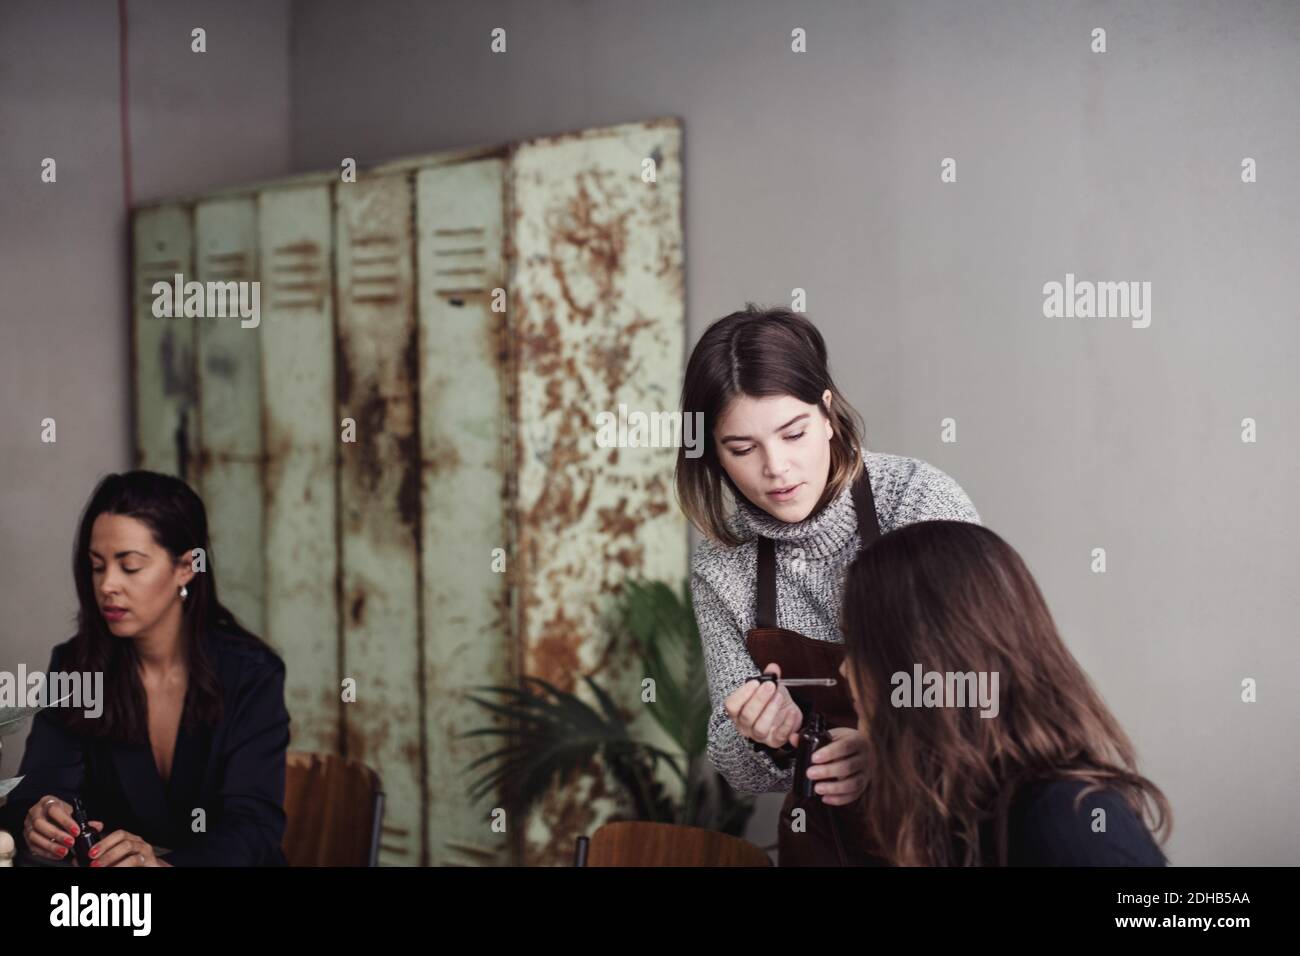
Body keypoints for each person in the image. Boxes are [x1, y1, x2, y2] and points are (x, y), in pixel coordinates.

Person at [677, 303, 981, 864]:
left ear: (827, 411)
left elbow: (985, 692)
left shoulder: (917, 502)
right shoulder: (722, 567)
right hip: (825, 845)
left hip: (947, 832)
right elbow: (731, 758)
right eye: (741, 449)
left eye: (792, 434)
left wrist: (887, 748)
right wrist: (756, 733)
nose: (776, 468)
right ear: (713, 454)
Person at [837, 519, 1172, 865]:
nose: (844, 669)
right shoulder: (962, 810)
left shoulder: (1063, 819)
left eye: (856, 645)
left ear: (919, 660)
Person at [0, 471, 290, 866]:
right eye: (97, 566)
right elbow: (35, 793)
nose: (107, 585)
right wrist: (41, 813)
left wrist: (162, 866)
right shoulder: (77, 667)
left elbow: (254, 826)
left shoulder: (252, 674)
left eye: (130, 566)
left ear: (186, 567)